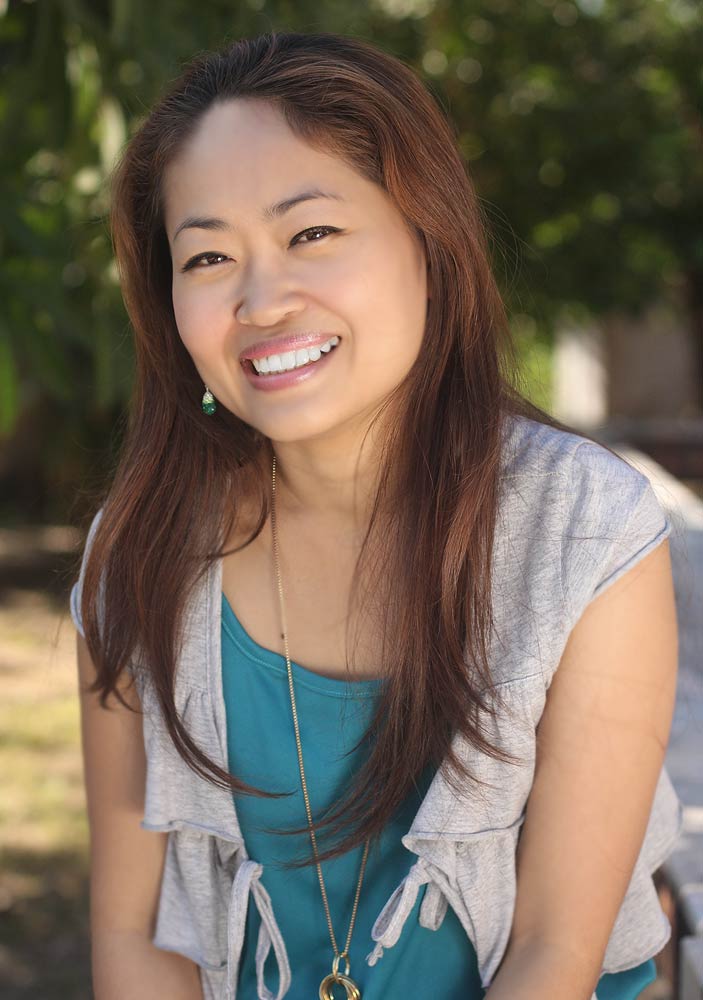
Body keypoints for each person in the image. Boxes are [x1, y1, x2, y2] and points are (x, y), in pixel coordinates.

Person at [70, 30, 682, 1000]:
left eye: (310, 233)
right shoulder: (138, 553)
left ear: (426, 240)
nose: (262, 298)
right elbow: (133, 935)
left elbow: (553, 954)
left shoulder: (584, 529)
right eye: (209, 256)